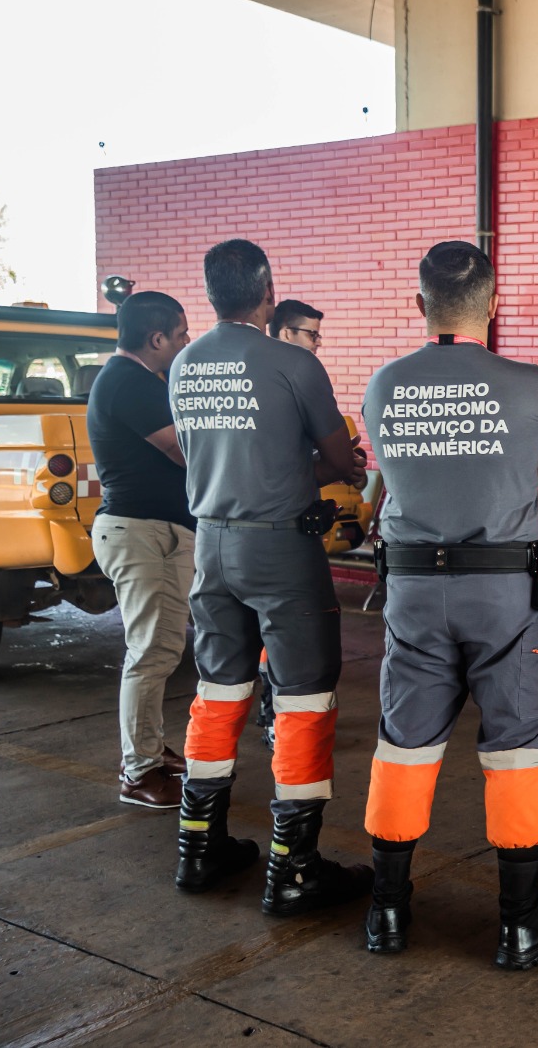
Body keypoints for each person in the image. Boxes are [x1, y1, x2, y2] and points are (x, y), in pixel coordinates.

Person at [359, 241, 538, 965]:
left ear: (419, 304)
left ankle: (387, 917)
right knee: (517, 750)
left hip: (413, 592)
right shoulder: (535, 383)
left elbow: (391, 465)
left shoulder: (382, 384)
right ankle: (521, 927)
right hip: (505, 596)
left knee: (404, 745)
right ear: (494, 304)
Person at [168, 239, 372, 915]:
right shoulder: (293, 363)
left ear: (210, 294)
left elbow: (207, 453)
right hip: (279, 547)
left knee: (219, 693)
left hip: (212, 547)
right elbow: (340, 457)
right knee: (305, 699)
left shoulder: (184, 364)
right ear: (269, 292)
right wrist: (329, 465)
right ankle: (295, 868)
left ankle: (198, 849)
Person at [88, 291, 194, 810]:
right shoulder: (128, 382)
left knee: (162, 648)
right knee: (151, 652)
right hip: (139, 533)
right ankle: (138, 771)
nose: (187, 341)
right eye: (180, 334)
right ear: (156, 339)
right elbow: (183, 450)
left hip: (154, 532)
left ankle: (149, 748)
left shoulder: (138, 381)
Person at [257, 298, 324, 750]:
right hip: (278, 532)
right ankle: (275, 717)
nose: (318, 344)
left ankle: (274, 714)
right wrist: (341, 463)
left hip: (269, 527)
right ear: (285, 333)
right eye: (311, 334)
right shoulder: (293, 376)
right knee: (283, 633)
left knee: (271, 630)